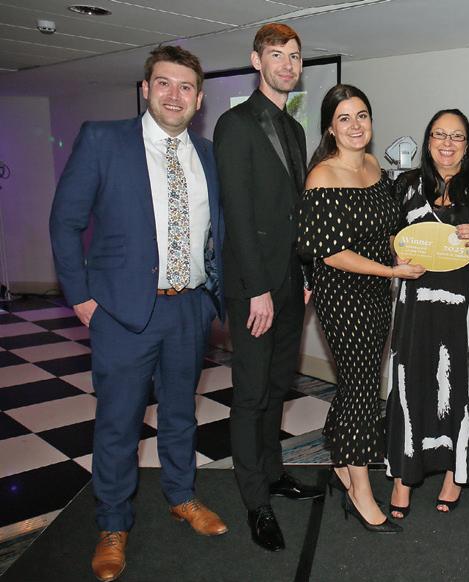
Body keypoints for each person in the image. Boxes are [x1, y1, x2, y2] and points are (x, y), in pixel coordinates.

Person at [50, 45, 227, 582]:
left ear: (199, 99)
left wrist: (214, 296)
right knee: (119, 423)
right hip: (123, 313)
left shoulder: (207, 153)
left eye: (186, 87)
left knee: (180, 414)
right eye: (164, 83)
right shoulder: (103, 141)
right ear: (146, 89)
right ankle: (112, 524)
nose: (175, 95)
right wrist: (81, 298)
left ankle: (181, 496)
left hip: (189, 308)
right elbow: (65, 222)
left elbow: (216, 231)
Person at [297, 84, 424, 534]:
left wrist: (399, 253)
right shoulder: (322, 176)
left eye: (362, 115)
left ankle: (340, 462)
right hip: (343, 295)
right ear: (330, 128)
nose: (356, 125)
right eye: (345, 118)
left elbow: (387, 228)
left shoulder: (374, 167)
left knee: (361, 382)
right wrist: (391, 272)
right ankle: (361, 493)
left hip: (376, 293)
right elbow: (330, 254)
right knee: (362, 391)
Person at [213, 23, 319, 553]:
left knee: (279, 386)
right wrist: (257, 289)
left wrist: (305, 276)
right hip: (254, 286)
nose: (287, 64)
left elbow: (296, 212)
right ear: (257, 61)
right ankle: (256, 501)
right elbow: (237, 212)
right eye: (277, 55)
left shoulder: (295, 129)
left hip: (290, 282)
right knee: (252, 395)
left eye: (294, 56)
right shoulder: (235, 124)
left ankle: (274, 473)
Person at [385, 109, 469, 518]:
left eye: (456, 136)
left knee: (460, 385)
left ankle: (455, 474)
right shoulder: (406, 185)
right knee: (411, 382)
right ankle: (402, 478)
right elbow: (391, 237)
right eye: (439, 134)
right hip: (418, 302)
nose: (447, 143)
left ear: (467, 145)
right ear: (428, 140)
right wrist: (396, 253)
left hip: (468, 305)